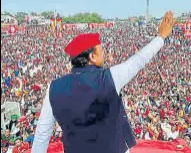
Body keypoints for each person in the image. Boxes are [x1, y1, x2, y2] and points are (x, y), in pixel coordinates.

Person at [31, 11, 175, 153]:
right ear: (92, 56)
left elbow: (42, 134)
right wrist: (161, 37)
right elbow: (138, 61)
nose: (104, 53)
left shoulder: (53, 88)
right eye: (101, 50)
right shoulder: (109, 78)